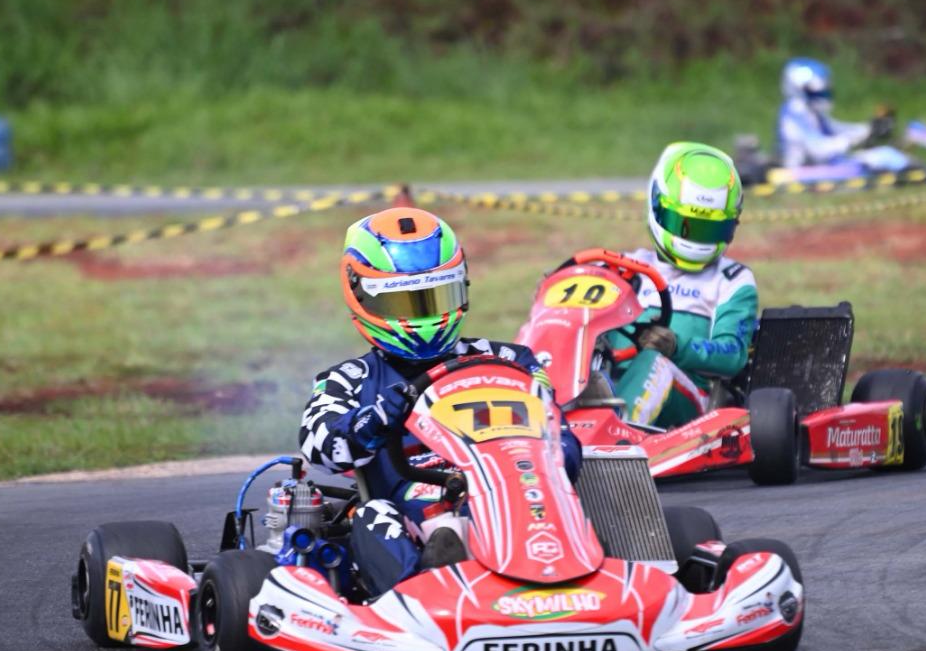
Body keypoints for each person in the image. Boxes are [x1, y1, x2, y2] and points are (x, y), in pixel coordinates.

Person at [300, 207, 579, 597]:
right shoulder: (348, 380)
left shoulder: (512, 361)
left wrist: (557, 454)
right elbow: (320, 450)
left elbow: (561, 435)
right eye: (404, 303)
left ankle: (574, 571)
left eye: (436, 298)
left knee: (560, 493)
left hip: (511, 487)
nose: (424, 317)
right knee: (375, 516)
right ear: (364, 298)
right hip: (412, 501)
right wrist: (373, 420)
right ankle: (424, 590)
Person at [602, 142, 758, 428]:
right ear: (658, 208)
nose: (695, 240)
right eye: (684, 224)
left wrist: (677, 347)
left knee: (654, 363)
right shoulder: (621, 266)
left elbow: (733, 354)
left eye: (708, 229)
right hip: (608, 388)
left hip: (691, 403)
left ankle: (618, 436)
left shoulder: (732, 280)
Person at [775, 57, 903, 172]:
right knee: (884, 156)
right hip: (802, 172)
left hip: (821, 167)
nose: (823, 96)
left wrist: (870, 128)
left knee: (886, 154)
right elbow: (818, 149)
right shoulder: (796, 112)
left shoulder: (811, 112)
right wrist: (854, 139)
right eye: (818, 93)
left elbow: (836, 129)